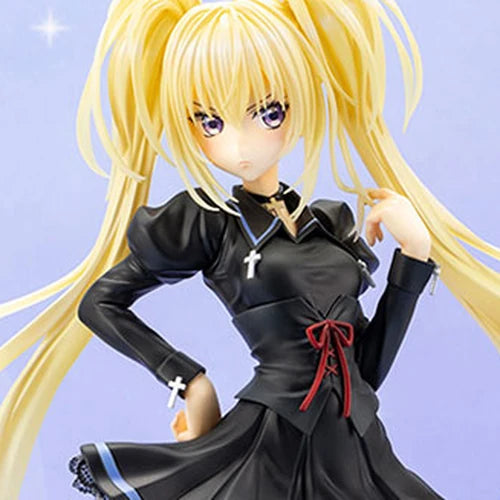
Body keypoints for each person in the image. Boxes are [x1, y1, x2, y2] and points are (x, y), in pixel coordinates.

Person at [0, 0, 498, 498]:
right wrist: (189, 381)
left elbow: (363, 370)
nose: (240, 146)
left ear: (301, 100)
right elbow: (100, 302)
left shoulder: (330, 226)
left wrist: (412, 255)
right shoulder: (210, 225)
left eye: (267, 112)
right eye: (210, 121)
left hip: (359, 446)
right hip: (270, 445)